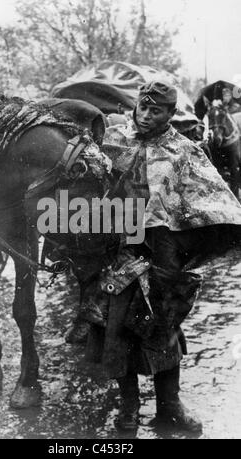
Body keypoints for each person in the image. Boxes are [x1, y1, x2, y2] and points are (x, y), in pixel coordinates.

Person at [78, 80, 241, 433]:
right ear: (135, 107)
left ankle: (170, 405)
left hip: (164, 251)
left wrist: (185, 246)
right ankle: (129, 406)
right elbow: (90, 183)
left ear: (170, 113)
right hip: (121, 246)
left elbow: (213, 200)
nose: (147, 115)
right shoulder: (115, 141)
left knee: (164, 326)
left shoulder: (184, 151)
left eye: (156, 110)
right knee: (116, 325)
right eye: (143, 108)